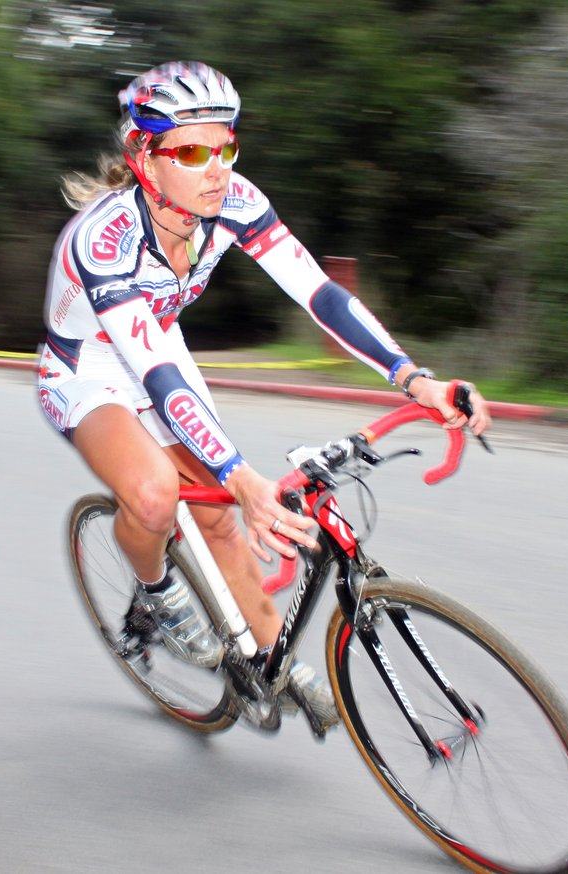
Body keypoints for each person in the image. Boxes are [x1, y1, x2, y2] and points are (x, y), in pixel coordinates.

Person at [38, 61, 491, 731]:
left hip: (156, 347)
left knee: (221, 518)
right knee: (159, 494)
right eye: (192, 151)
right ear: (145, 157)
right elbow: (153, 376)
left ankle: (270, 659)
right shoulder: (104, 241)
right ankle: (160, 592)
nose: (217, 167)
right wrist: (240, 475)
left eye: (226, 146)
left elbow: (319, 294)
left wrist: (415, 378)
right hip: (89, 370)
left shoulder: (235, 203)